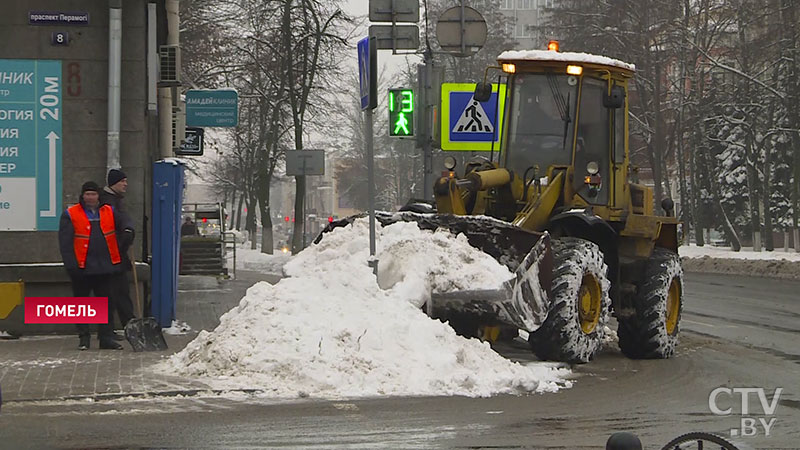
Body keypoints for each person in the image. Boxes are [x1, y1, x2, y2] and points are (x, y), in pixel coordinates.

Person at [59, 181, 133, 350]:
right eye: (87, 194)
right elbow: (65, 243)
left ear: (98, 196)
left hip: (105, 267)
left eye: (93, 194)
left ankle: (106, 337)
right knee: (81, 304)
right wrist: (71, 266)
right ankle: (84, 338)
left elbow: (124, 220)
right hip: (81, 267)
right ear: (82, 196)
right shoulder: (70, 214)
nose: (90, 197)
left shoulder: (109, 211)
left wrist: (129, 230)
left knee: (106, 304)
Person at [99, 169, 135, 338]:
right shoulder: (108, 202)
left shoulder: (115, 201)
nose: (126, 184)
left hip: (116, 255)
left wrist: (128, 232)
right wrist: (124, 238)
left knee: (120, 292)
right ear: (114, 183)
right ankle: (114, 329)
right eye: (123, 181)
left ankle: (129, 324)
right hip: (110, 256)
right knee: (114, 294)